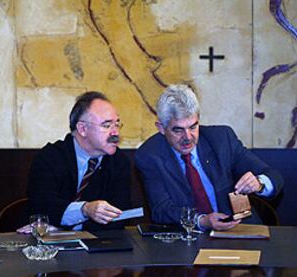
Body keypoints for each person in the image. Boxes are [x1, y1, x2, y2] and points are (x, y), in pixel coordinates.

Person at [135, 84, 283, 231]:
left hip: (239, 231)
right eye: (178, 130)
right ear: (161, 128)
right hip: (188, 240)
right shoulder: (149, 155)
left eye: (193, 127)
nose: (188, 137)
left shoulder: (222, 140)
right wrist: (201, 221)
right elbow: (161, 210)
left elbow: (274, 177)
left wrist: (259, 183)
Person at [27, 91, 131, 231]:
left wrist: (64, 229)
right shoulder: (50, 157)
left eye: (117, 124)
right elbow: (43, 207)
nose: (115, 133)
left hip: (96, 247)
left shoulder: (119, 162)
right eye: (107, 125)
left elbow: (118, 217)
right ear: (82, 129)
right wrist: (85, 210)